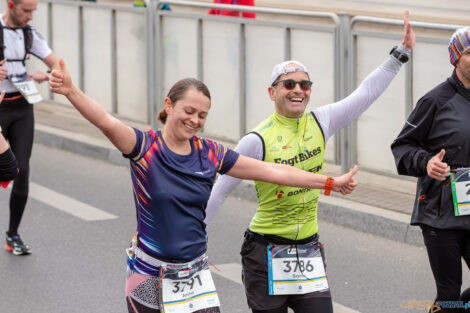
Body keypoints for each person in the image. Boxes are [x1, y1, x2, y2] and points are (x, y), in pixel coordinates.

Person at [49, 58, 358, 312]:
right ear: (169, 106)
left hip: (195, 273)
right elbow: (105, 120)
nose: (194, 120)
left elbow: (276, 172)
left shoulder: (211, 153)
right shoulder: (144, 147)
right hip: (148, 273)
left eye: (202, 115)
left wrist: (330, 182)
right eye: (188, 111)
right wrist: (70, 90)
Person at [204, 11, 415, 313]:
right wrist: (194, 243)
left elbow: (364, 94)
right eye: (288, 84)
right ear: (272, 92)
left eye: (304, 84)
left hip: (308, 251)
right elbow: (220, 189)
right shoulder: (256, 140)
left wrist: (401, 54)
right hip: (265, 251)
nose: (298, 90)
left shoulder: (321, 121)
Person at [391, 27, 470, 313]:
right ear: (455, 57)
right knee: (448, 293)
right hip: (441, 214)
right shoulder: (435, 101)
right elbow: (402, 147)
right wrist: (427, 163)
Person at [0, 0, 59, 255]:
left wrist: (46, 74)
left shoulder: (28, 33)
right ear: (11, 5)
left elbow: (58, 66)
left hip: (22, 106)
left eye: (34, 11)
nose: (30, 16)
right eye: (26, 10)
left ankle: (13, 234)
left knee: (21, 169)